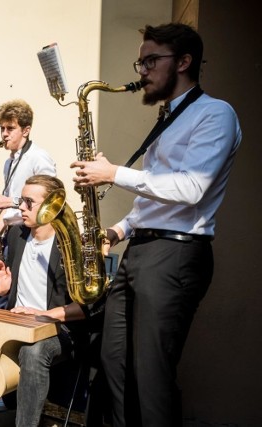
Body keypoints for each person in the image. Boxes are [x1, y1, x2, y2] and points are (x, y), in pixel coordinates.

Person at [70, 23, 241, 427]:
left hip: (176, 255)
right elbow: (155, 199)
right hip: (142, 251)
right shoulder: (169, 119)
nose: (142, 70)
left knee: (152, 377)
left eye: (151, 60)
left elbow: (191, 188)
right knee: (113, 362)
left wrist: (113, 174)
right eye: (141, 61)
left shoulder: (215, 113)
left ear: (183, 62)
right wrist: (117, 231)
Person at [0, 175, 104, 427]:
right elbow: (9, 289)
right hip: (15, 325)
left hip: (57, 329)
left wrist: (47, 314)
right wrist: (1, 291)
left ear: (53, 204)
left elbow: (93, 306)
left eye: (29, 202)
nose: (21, 207)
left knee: (34, 351)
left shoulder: (74, 244)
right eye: (22, 200)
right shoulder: (17, 235)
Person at [0, 99, 58, 309]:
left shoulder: (38, 157)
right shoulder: (9, 162)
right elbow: (10, 203)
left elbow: (50, 197)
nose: (4, 134)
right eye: (2, 128)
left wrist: (10, 201)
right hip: (8, 235)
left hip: (26, 235)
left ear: (26, 130)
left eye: (10, 128)